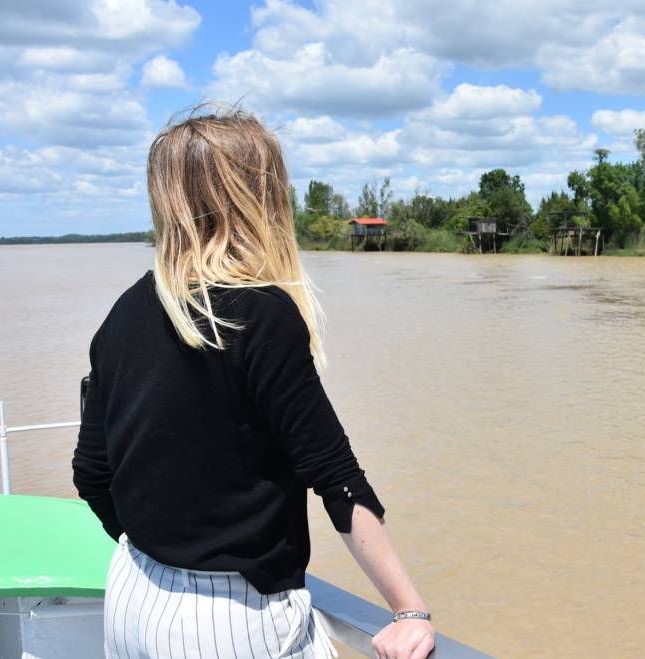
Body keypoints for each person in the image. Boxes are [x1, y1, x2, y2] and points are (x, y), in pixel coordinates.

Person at [71, 103, 436, 659]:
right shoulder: (260, 315)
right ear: (257, 198)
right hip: (231, 620)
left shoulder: (126, 309)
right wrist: (408, 611)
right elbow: (335, 477)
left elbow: (91, 472)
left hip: (132, 593)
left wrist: (163, 550)